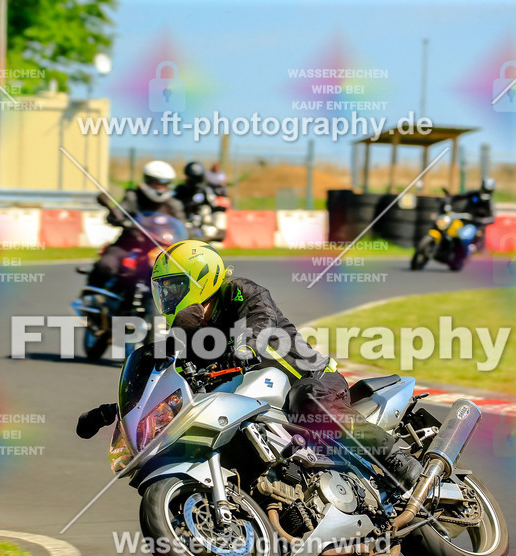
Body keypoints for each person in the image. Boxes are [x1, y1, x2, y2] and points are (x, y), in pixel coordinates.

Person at [77, 240, 424, 490]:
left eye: (175, 287)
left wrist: (245, 343)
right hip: (253, 405)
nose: (167, 297)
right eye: (163, 290)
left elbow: (261, 318)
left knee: (309, 401)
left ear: (200, 278)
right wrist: (118, 411)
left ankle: (397, 461)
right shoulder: (188, 335)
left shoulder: (240, 291)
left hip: (307, 380)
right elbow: (165, 380)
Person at [89, 160, 186, 288]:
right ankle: (92, 294)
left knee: (181, 272)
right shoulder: (132, 197)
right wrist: (116, 217)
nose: (160, 187)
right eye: (156, 183)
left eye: (164, 183)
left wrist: (194, 235)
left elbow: (183, 225)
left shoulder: (173, 204)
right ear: (147, 181)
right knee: (106, 264)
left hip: (158, 248)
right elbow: (117, 212)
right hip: (128, 245)